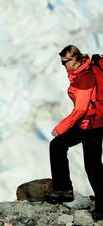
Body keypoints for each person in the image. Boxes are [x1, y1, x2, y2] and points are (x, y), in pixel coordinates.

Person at [47, 45, 103, 221]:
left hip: (93, 126)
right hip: (84, 124)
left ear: (75, 59)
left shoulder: (85, 77)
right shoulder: (79, 73)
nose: (63, 65)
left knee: (93, 167)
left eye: (65, 61)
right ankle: (63, 190)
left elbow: (80, 109)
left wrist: (60, 128)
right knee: (57, 146)